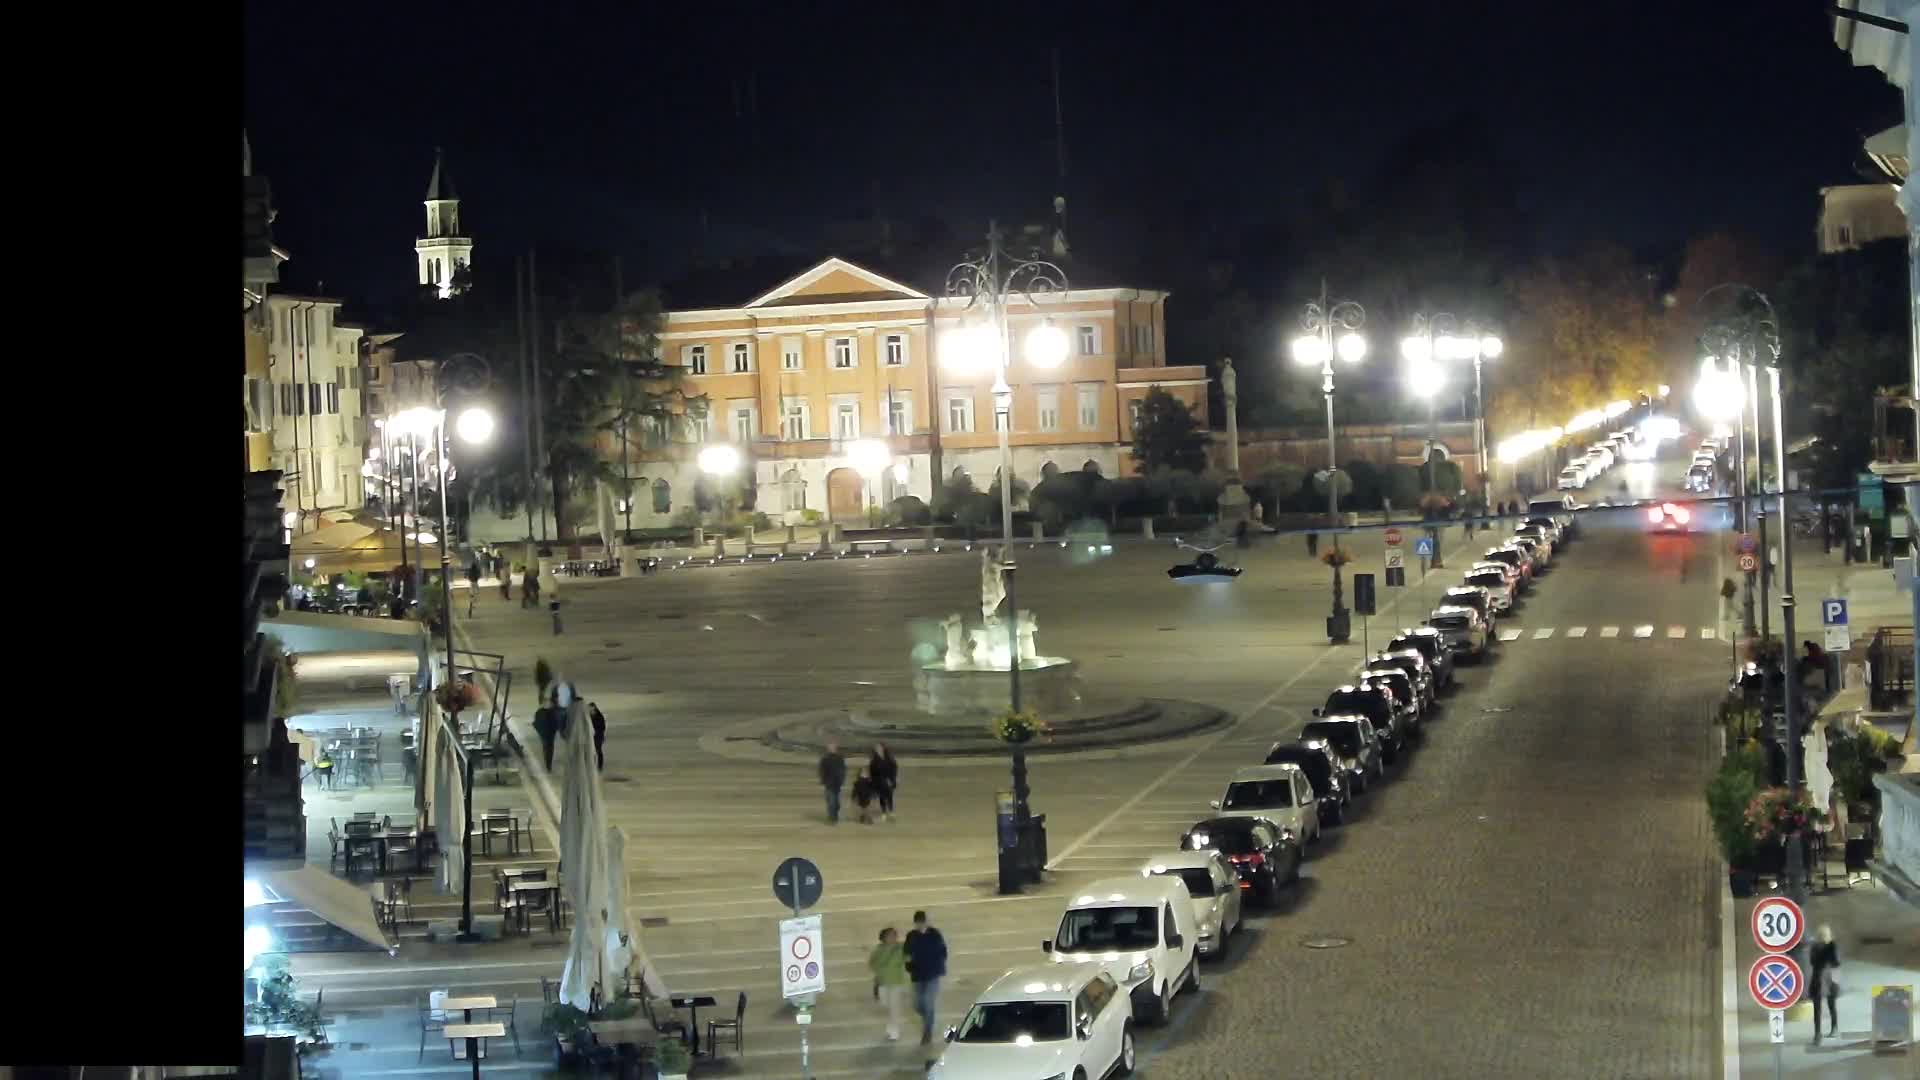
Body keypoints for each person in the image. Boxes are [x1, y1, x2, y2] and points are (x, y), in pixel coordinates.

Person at [904, 910, 948, 1046]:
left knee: (928, 1003)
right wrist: (909, 965)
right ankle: (928, 1018)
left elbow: (943, 951)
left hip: (932, 974)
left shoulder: (935, 934)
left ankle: (927, 1031)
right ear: (915, 923)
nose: (920, 925)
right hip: (917, 975)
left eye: (922, 922)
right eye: (918, 922)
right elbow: (906, 952)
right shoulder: (911, 936)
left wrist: (939, 965)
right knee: (917, 1005)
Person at [869, 927, 910, 1042]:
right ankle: (891, 1026)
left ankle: (894, 1031)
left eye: (894, 935)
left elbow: (909, 958)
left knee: (894, 1008)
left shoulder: (901, 948)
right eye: (890, 935)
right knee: (886, 1005)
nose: (893, 937)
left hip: (896, 982)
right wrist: (878, 972)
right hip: (883, 982)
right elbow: (872, 963)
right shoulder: (879, 950)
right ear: (883, 938)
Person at [1809, 925, 1840, 1044]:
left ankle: (1817, 1035)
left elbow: (1812, 962)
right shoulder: (1832, 946)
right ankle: (1834, 1028)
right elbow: (1837, 963)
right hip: (1830, 977)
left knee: (1817, 1009)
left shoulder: (1815, 947)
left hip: (1818, 977)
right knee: (1832, 1005)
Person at [869, 742, 899, 822]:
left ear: (883, 748)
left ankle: (891, 812)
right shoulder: (874, 760)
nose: (878, 749)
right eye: (876, 748)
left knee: (889, 796)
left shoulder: (889, 757)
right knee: (882, 797)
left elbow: (894, 767)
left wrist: (891, 779)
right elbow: (872, 772)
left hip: (889, 780)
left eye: (879, 747)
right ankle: (884, 813)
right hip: (879, 781)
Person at [818, 741, 847, 824]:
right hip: (829, 783)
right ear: (828, 749)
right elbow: (821, 770)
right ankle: (832, 818)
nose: (831, 749)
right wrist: (823, 780)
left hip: (837, 783)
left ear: (836, 748)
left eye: (833, 747)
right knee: (831, 801)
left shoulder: (840, 758)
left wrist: (842, 780)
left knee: (836, 802)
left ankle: (835, 815)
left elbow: (843, 770)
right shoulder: (825, 759)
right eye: (830, 747)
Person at [589, 702, 607, 771]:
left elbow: (603, 727)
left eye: (590, 708)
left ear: (594, 708)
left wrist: (596, 731)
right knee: (592, 752)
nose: (589, 710)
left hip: (598, 737)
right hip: (592, 737)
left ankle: (600, 766)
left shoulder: (599, 716)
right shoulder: (589, 716)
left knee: (598, 751)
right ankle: (592, 765)